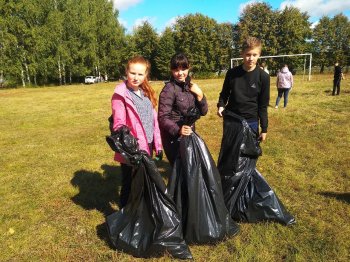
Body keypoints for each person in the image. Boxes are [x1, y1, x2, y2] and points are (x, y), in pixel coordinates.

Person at [110, 55, 163, 208]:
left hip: (147, 146)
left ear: (146, 75)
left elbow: (154, 123)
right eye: (133, 73)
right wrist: (131, 150)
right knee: (129, 183)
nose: (136, 77)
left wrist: (158, 146)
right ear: (127, 72)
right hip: (131, 150)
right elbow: (118, 124)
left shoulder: (146, 93)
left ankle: (141, 215)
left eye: (140, 74)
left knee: (144, 182)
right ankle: (125, 219)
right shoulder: (120, 95)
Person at [158, 53, 208, 166]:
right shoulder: (169, 89)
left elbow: (204, 112)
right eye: (176, 69)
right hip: (173, 138)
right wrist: (178, 129)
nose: (180, 73)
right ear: (171, 70)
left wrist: (200, 95)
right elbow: (162, 117)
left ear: (188, 67)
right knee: (182, 172)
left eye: (183, 68)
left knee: (192, 170)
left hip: (190, 134)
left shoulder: (191, 87)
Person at [217, 36, 270, 141]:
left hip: (251, 122)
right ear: (242, 54)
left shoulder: (263, 77)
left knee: (248, 155)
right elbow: (224, 94)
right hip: (232, 120)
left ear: (259, 55)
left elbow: (263, 105)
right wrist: (221, 106)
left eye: (254, 55)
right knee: (230, 155)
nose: (251, 58)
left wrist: (264, 129)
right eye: (248, 55)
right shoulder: (232, 73)